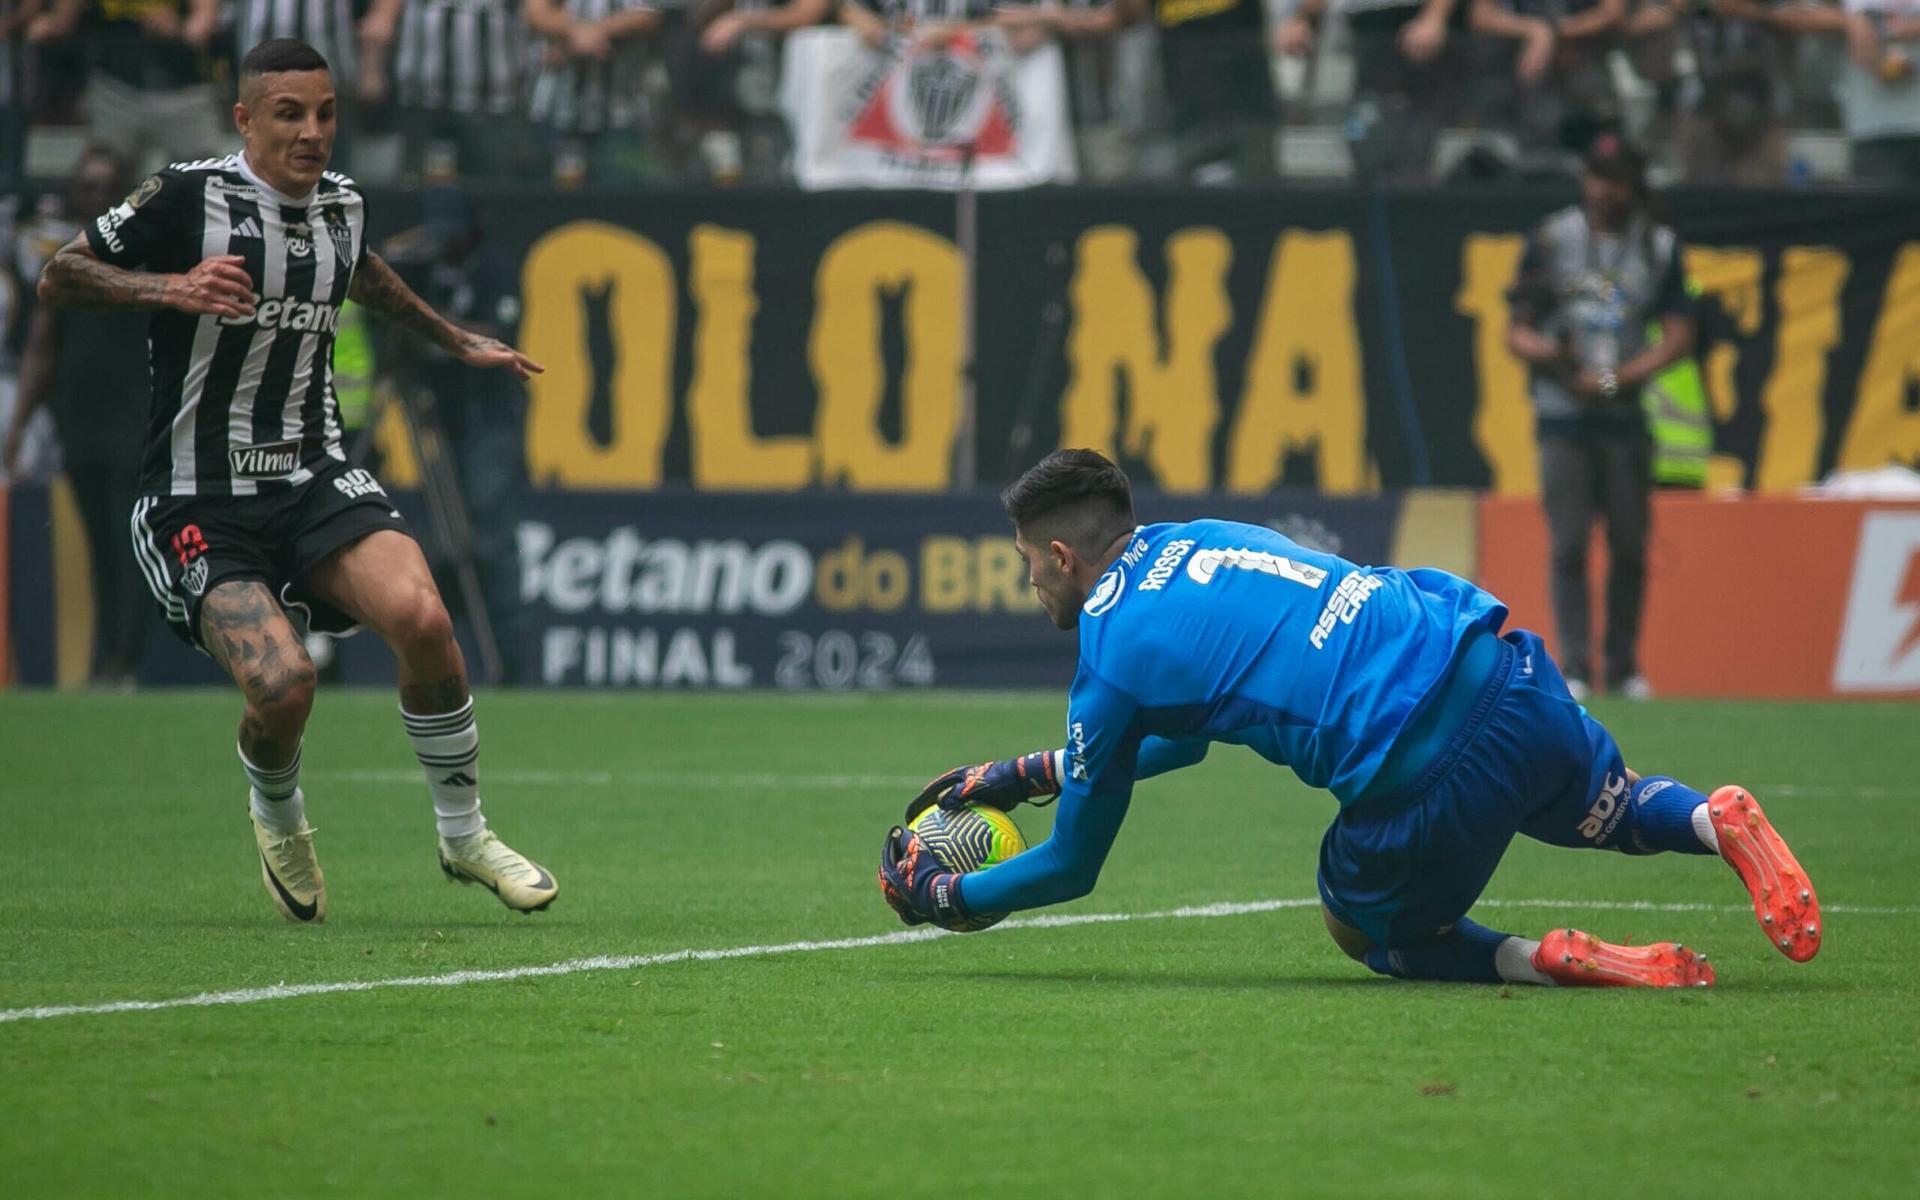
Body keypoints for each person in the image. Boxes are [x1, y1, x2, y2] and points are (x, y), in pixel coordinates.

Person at [879, 448, 1822, 988]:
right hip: (1499, 668)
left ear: (1060, 555)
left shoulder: (1109, 658)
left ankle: (1552, 960)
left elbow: (1073, 867)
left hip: (1421, 771)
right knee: (1613, 811)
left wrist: (947, 897)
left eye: (1026, 563)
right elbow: (1199, 729)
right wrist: (1032, 772)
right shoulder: (1201, 537)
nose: (1026, 580)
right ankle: (1715, 818)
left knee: (1360, 929)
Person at [35, 37, 557, 923]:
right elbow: (60, 275)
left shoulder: (342, 207)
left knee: (426, 618)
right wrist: (170, 288)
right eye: (289, 114)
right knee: (283, 688)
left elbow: (365, 275)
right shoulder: (187, 195)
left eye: (325, 113)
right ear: (245, 119)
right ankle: (278, 815)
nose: (312, 132)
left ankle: (464, 834)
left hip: (313, 478)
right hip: (196, 497)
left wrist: (455, 337)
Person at [1505, 134, 1693, 701]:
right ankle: (1578, 666)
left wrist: (1617, 378)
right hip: (1563, 414)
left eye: (1614, 179)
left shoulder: (1657, 246)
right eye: (1595, 176)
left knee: (1631, 545)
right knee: (1567, 545)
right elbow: (1518, 331)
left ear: (1634, 184)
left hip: (1624, 413)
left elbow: (1680, 334)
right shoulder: (1552, 237)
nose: (1602, 190)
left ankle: (1625, 664)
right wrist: (1556, 358)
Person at [4, 146, 152, 684]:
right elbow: (43, 346)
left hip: (137, 420)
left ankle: (125, 661)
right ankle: (107, 659)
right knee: (97, 543)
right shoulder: (68, 259)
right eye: (86, 187)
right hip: (81, 419)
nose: (95, 197)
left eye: (105, 186)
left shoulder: (151, 254)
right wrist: (20, 422)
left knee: (127, 537)